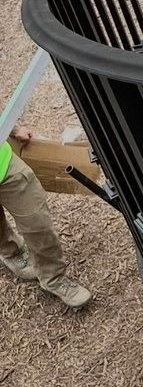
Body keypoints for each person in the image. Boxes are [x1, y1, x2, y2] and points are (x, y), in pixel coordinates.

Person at [0, 127, 92, 309]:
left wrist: (12, 127)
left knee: (38, 222)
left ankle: (53, 278)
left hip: (4, 165)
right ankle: (12, 252)